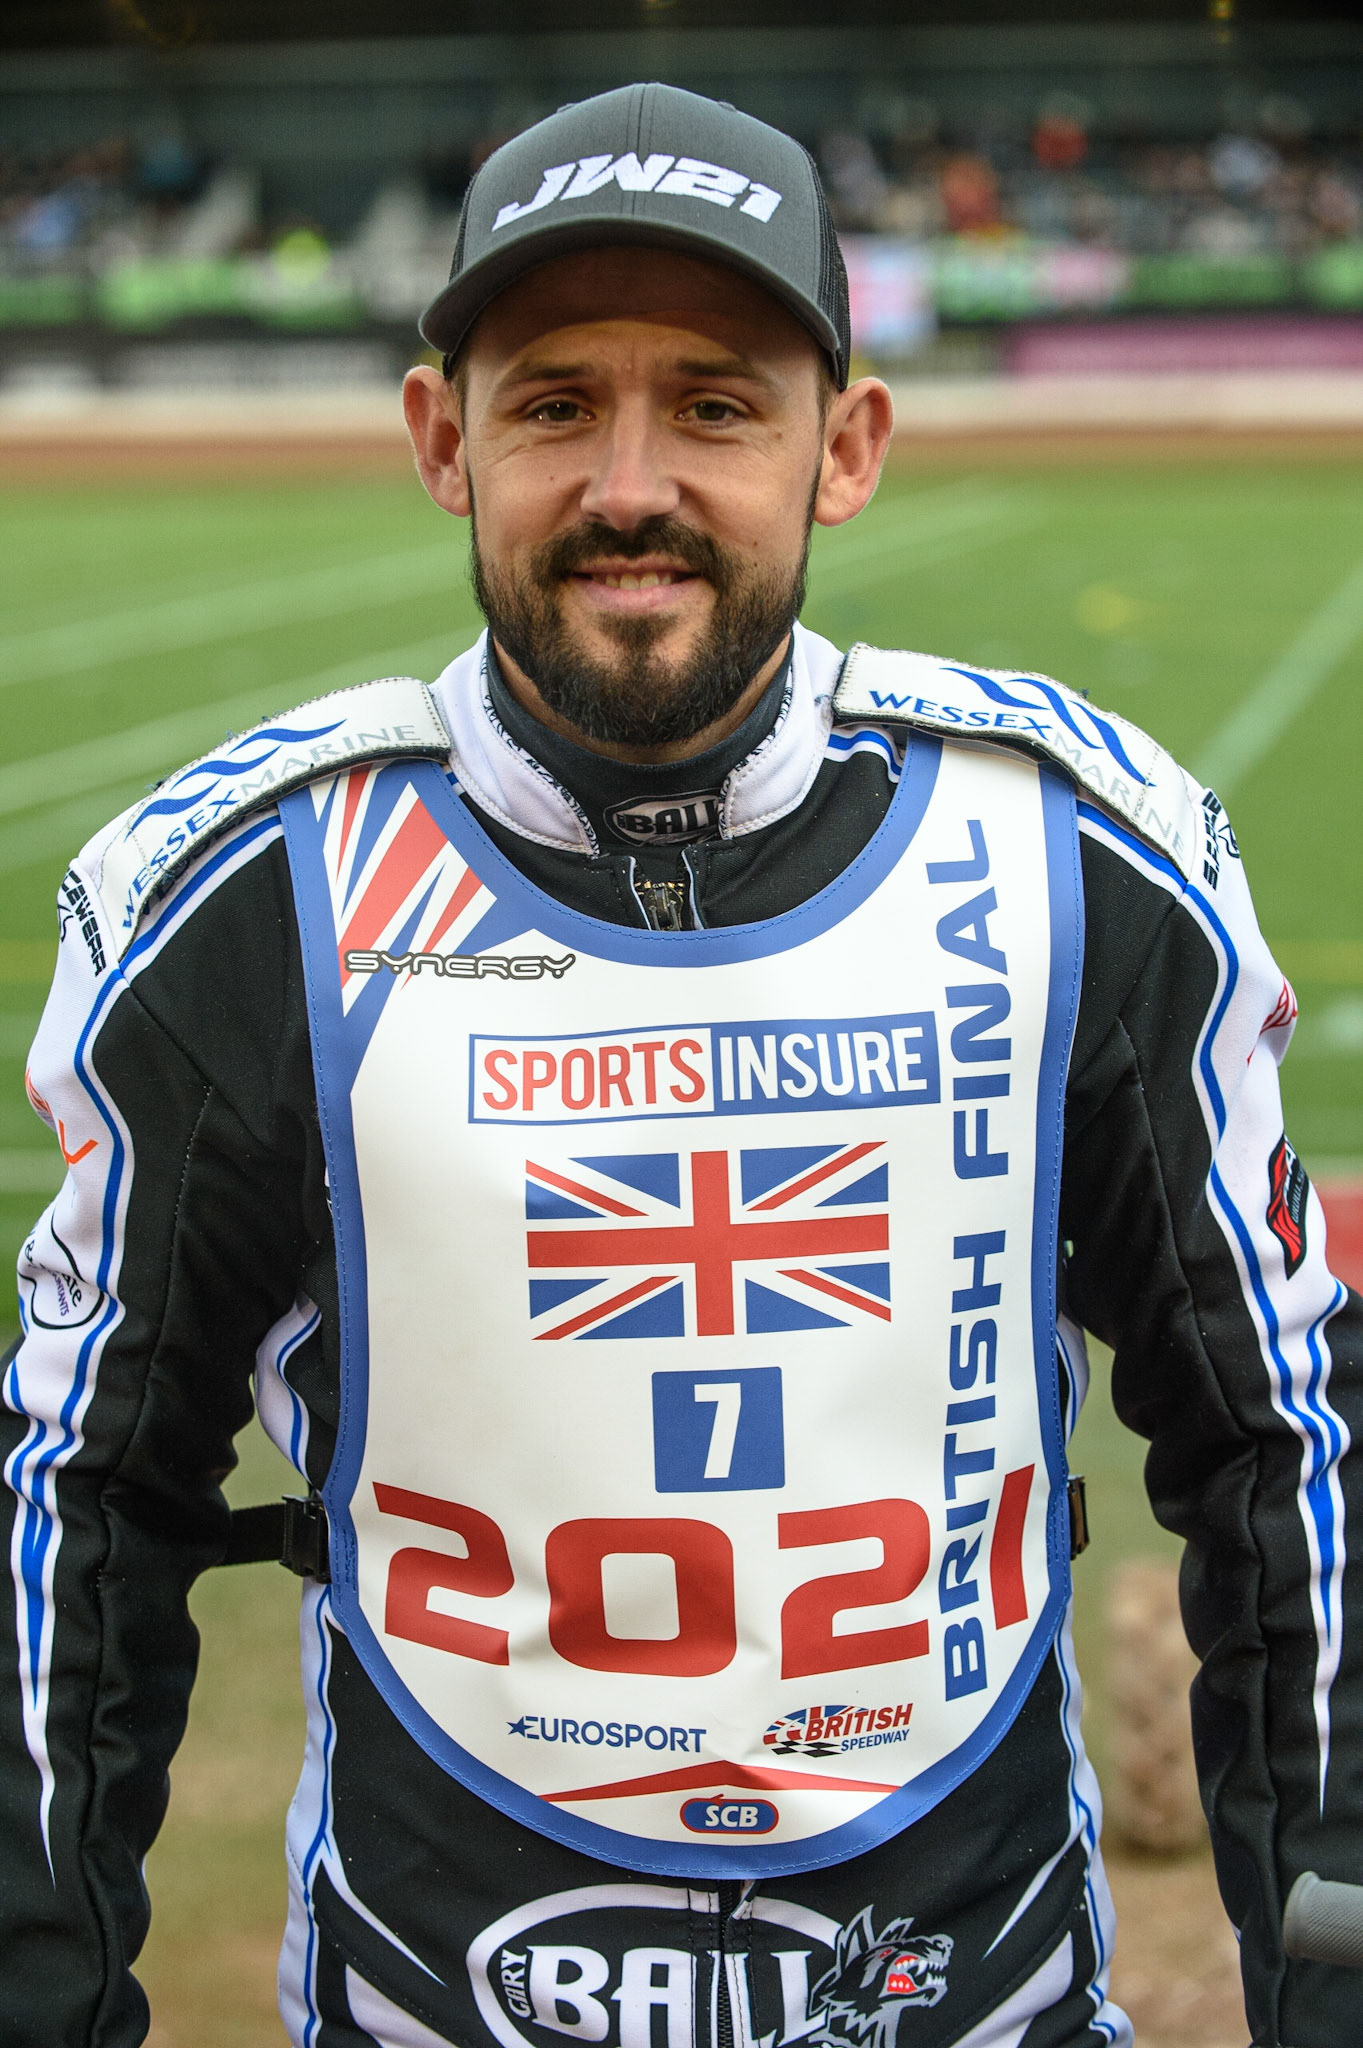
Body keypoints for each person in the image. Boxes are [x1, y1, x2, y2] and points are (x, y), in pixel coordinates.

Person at [0, 82, 1357, 2048]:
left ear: (848, 445)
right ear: (439, 440)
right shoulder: (235, 899)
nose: (630, 481)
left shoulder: (1082, 853)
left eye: (716, 404)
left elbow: (1280, 1446)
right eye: (554, 401)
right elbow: (77, 1505)